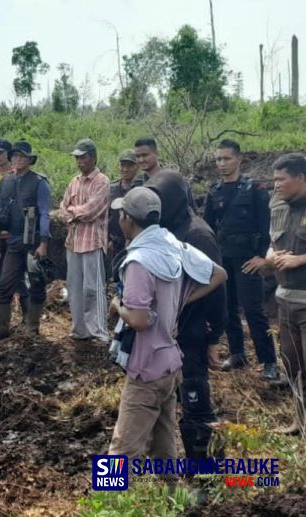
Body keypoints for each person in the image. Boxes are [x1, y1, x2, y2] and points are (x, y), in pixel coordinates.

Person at [108, 187, 226, 462]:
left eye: (120, 215)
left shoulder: (138, 261)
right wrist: (178, 300)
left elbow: (137, 320)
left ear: (127, 218)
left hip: (145, 367)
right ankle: (171, 496)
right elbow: (219, 274)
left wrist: (117, 306)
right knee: (164, 441)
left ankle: (105, 499)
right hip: (171, 363)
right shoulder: (175, 245)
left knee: (121, 448)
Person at [145, 171, 227, 495]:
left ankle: (209, 480)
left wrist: (215, 337)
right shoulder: (168, 229)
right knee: (180, 404)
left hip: (193, 332)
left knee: (197, 408)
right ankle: (190, 474)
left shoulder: (197, 234)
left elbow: (218, 287)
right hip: (174, 332)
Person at [203, 140, 278, 379]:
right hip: (223, 260)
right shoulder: (214, 191)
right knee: (228, 309)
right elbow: (208, 228)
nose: (222, 164)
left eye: (226, 158)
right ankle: (237, 354)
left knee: (253, 309)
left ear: (239, 159)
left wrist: (261, 257)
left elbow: (267, 225)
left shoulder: (254, 189)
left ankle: (269, 362)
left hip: (248, 260)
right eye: (218, 159)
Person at [0, 141, 51, 340]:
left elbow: (44, 213)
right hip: (14, 240)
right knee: (4, 285)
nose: (18, 159)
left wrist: (43, 242)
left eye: (23, 157)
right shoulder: (5, 181)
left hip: (33, 242)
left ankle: (32, 328)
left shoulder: (39, 182)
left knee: (36, 283)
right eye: (15, 156)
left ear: (29, 160)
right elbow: (0, 211)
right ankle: (1, 329)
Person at [265, 153, 306, 434]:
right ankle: (300, 421)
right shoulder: (278, 205)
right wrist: (271, 255)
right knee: (293, 366)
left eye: (282, 179)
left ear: (300, 178)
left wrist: (300, 259)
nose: (276, 185)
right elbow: (271, 241)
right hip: (286, 299)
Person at [59, 139, 110, 342]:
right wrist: (71, 213)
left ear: (93, 158)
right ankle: (80, 330)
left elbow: (91, 211)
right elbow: (62, 210)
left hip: (92, 242)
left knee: (93, 288)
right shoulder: (74, 181)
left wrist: (71, 212)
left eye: (83, 157)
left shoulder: (102, 182)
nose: (79, 161)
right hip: (73, 242)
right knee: (74, 287)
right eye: (77, 157)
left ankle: (98, 331)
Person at [0, 138, 26, 317]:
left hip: (15, 231)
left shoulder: (19, 176)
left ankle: (26, 315)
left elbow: (12, 204)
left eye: (1, 153)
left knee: (18, 274)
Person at [108, 150, 140, 260]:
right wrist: (108, 239)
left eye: (130, 166)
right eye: (123, 165)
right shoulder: (111, 188)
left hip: (136, 241)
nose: (125, 169)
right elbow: (106, 216)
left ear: (137, 167)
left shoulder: (142, 188)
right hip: (115, 243)